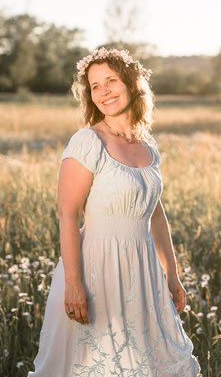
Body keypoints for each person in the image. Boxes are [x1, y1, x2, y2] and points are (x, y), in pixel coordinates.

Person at [28, 47, 201, 376]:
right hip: (98, 268)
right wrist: (74, 284)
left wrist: (172, 275)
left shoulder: (147, 145)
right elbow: (67, 214)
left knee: (149, 360)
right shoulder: (88, 142)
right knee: (101, 362)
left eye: (111, 80)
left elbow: (155, 214)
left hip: (143, 269)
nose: (103, 91)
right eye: (95, 86)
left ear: (132, 84)